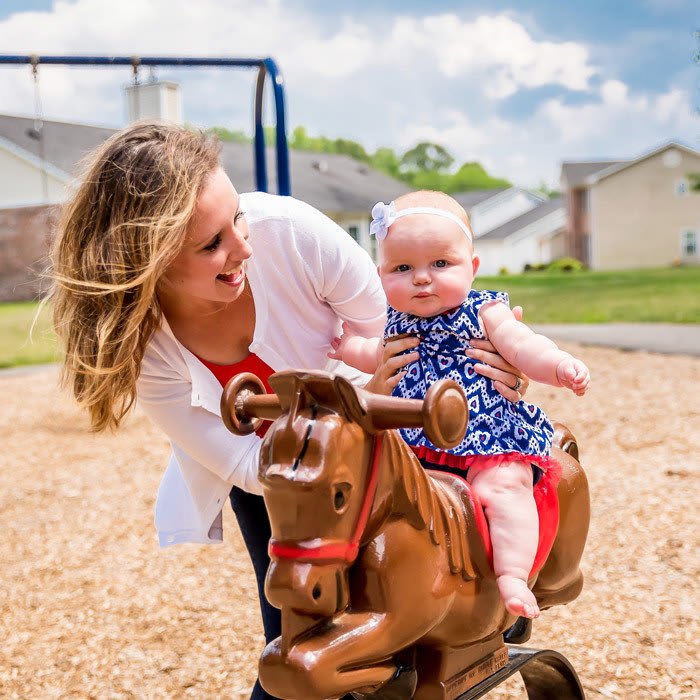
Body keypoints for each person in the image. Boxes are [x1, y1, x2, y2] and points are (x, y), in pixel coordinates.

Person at [49, 123, 529, 699]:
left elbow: (410, 327)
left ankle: (499, 599)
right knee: (295, 635)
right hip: (273, 474)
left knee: (419, 590)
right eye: (212, 245)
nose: (243, 247)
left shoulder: (293, 235)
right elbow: (248, 465)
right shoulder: (145, 347)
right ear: (147, 263)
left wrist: (494, 354)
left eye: (238, 220)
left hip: (384, 434)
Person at [329, 191, 590, 620]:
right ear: (381, 276)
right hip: (415, 440)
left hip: (486, 436)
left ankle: (512, 574)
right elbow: (374, 354)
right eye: (402, 268)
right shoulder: (397, 322)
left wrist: (558, 365)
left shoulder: (483, 312)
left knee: (504, 490)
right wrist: (345, 347)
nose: (421, 278)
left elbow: (524, 346)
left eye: (440, 264)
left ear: (472, 268)